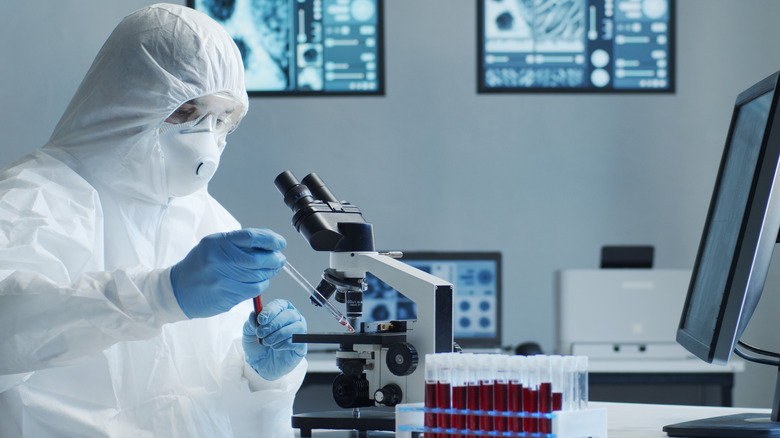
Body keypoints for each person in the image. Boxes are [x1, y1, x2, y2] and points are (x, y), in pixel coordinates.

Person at [0, 4, 308, 437]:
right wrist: (161, 294)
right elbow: (9, 327)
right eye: (185, 111)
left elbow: (212, 406)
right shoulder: (38, 195)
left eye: (221, 118)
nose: (206, 137)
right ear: (126, 97)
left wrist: (261, 380)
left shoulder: (210, 219)